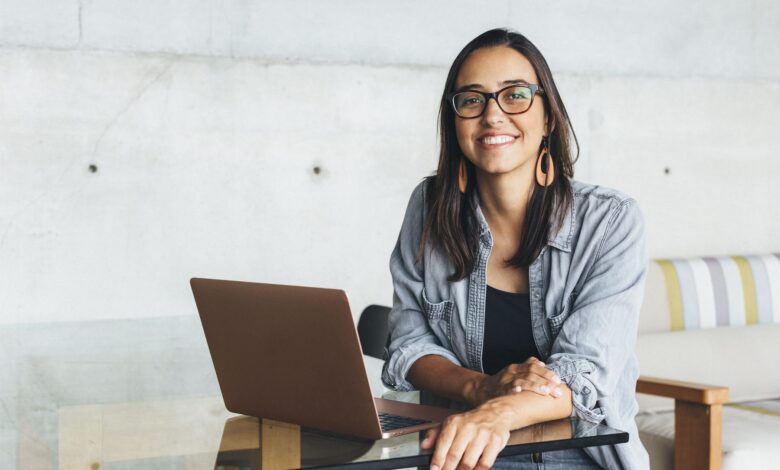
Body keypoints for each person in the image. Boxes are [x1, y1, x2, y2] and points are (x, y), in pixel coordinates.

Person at [381, 28, 649, 469]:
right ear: (454, 122)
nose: (493, 115)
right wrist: (480, 389)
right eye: (472, 99)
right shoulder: (428, 207)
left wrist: (497, 413)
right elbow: (410, 342)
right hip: (459, 450)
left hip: (580, 457)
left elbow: (585, 376)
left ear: (548, 119)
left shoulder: (612, 221)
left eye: (516, 95)